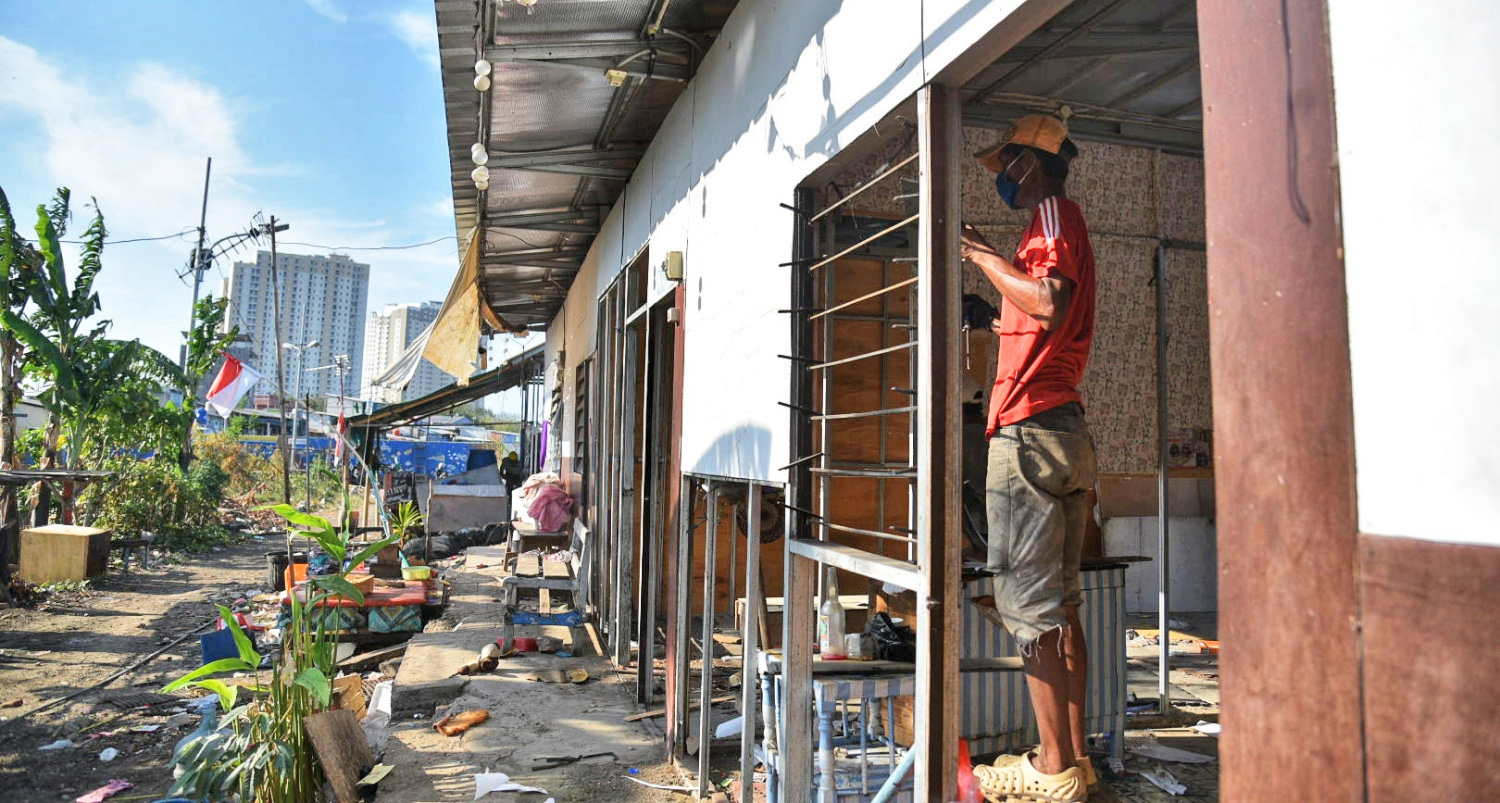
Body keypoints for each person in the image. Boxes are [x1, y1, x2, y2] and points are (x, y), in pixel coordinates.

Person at [961, 113, 1098, 803]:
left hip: (1030, 434)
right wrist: (989, 309)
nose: (1001, 179)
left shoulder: (1051, 214)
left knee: (1031, 609)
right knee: (1064, 606)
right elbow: (1036, 314)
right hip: (1065, 428)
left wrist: (982, 255)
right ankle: (1074, 760)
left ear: (1029, 161)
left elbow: (1046, 303)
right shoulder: (1053, 228)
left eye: (1005, 165)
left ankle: (1050, 766)